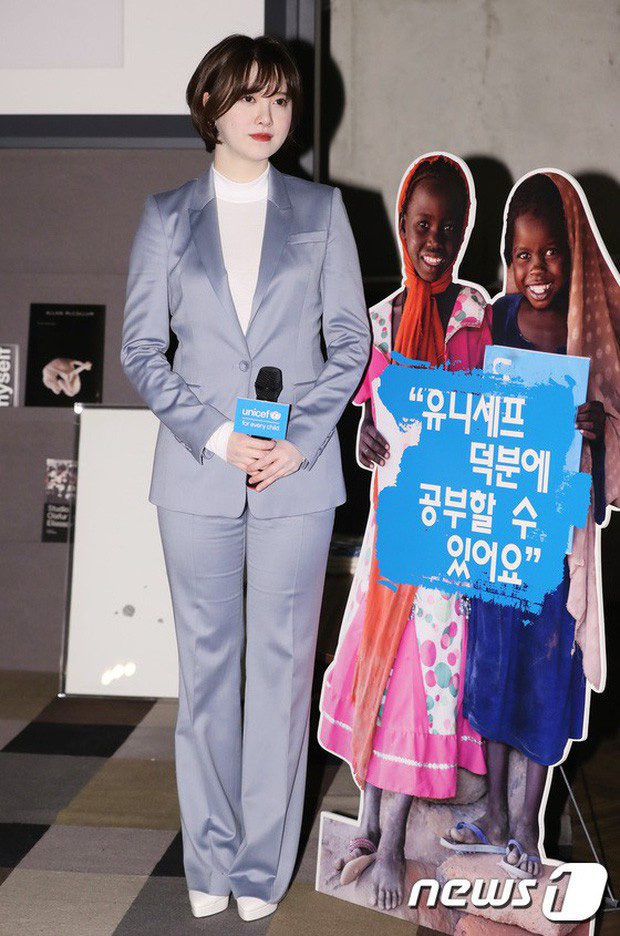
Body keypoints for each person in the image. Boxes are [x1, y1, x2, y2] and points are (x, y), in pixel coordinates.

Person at [121, 34, 369, 922]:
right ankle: (211, 853)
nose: (267, 116)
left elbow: (350, 342)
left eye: (281, 100)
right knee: (207, 671)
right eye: (249, 98)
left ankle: (261, 866)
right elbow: (141, 350)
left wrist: (301, 437)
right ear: (210, 107)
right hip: (198, 472)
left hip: (298, 474)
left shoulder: (323, 211)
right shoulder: (166, 216)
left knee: (282, 671)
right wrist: (218, 435)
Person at [318, 153, 491, 912]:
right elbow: (368, 408)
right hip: (390, 536)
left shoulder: (476, 315)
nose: (435, 240)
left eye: (449, 227)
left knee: (424, 685)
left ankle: (392, 840)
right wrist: (362, 433)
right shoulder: (381, 320)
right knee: (378, 671)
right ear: (402, 225)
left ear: (464, 232)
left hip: (447, 540)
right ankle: (368, 820)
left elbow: (497, 407)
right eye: (423, 224)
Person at [443, 171, 620, 878]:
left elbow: (615, 418)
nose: (536, 267)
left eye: (549, 252)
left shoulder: (590, 330)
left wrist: (596, 426)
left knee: (548, 672)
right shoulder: (497, 321)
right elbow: (460, 403)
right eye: (522, 254)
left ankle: (525, 821)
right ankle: (492, 808)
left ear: (573, 252)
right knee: (491, 664)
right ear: (507, 258)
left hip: (558, 540)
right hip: (496, 528)